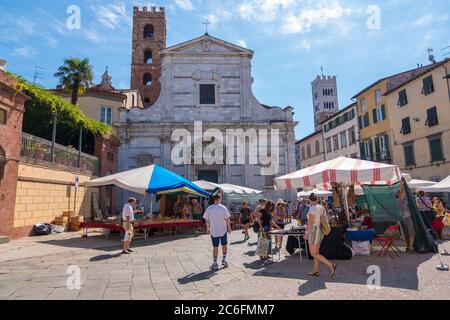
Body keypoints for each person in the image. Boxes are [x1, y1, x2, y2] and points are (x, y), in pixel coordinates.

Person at [304, 193, 337, 277]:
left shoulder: (312, 208)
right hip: (320, 230)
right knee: (316, 252)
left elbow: (310, 222)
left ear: (310, 199)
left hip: (314, 231)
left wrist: (306, 233)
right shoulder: (321, 207)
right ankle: (316, 270)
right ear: (317, 199)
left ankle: (330, 265)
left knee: (313, 253)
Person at [203, 194, 232, 270]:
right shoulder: (223, 208)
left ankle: (215, 263)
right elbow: (227, 219)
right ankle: (224, 259)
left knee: (215, 247)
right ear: (219, 199)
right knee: (224, 245)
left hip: (214, 230)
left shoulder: (209, 208)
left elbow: (207, 220)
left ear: (214, 199)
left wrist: (208, 228)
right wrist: (229, 228)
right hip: (222, 230)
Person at [259, 201, 281, 266]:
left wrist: (277, 227)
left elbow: (271, 221)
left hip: (268, 227)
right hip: (264, 227)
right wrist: (261, 227)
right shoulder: (262, 210)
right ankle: (263, 256)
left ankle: (266, 255)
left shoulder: (270, 212)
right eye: (270, 205)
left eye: (272, 206)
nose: (271, 207)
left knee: (267, 241)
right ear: (267, 205)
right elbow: (258, 219)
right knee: (264, 241)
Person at [396, 187, 415, 253]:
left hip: (406, 217)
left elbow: (403, 192)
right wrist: (402, 183)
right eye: (400, 193)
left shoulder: (403, 200)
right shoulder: (399, 200)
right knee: (411, 232)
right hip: (407, 217)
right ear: (399, 194)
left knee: (408, 233)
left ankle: (409, 246)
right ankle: (411, 247)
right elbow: (403, 191)